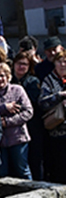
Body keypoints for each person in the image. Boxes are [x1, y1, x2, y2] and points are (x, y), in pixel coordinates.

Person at [0, 62, 33, 179]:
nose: (0, 79)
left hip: (18, 138)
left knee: (22, 171)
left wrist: (7, 122)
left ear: (8, 77)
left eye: (2, 76)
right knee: (2, 173)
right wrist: (4, 108)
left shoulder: (18, 90)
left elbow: (28, 112)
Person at [12, 51, 44, 180]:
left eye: (25, 64)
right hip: (14, 129)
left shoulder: (33, 81)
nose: (21, 67)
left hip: (32, 125)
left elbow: (32, 101)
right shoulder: (9, 81)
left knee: (35, 159)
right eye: (19, 64)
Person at [39, 49, 66, 183]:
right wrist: (59, 96)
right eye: (59, 62)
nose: (62, 65)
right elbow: (42, 103)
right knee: (60, 168)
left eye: (65, 62)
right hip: (57, 132)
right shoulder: (49, 80)